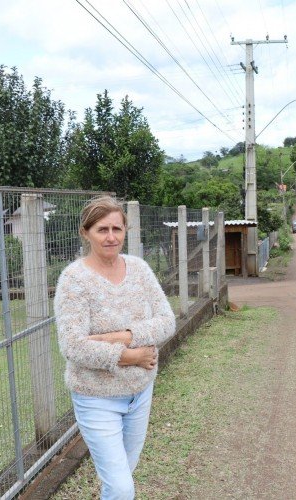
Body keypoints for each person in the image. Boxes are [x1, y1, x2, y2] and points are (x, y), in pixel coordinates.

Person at [54, 196, 175, 499]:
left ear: (125, 230)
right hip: (96, 399)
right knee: (121, 488)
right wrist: (131, 355)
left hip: (140, 392)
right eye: (102, 229)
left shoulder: (139, 269)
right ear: (86, 232)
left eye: (117, 229)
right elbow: (73, 346)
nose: (111, 237)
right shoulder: (74, 280)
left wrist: (119, 336)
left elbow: (166, 321)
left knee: (123, 478)